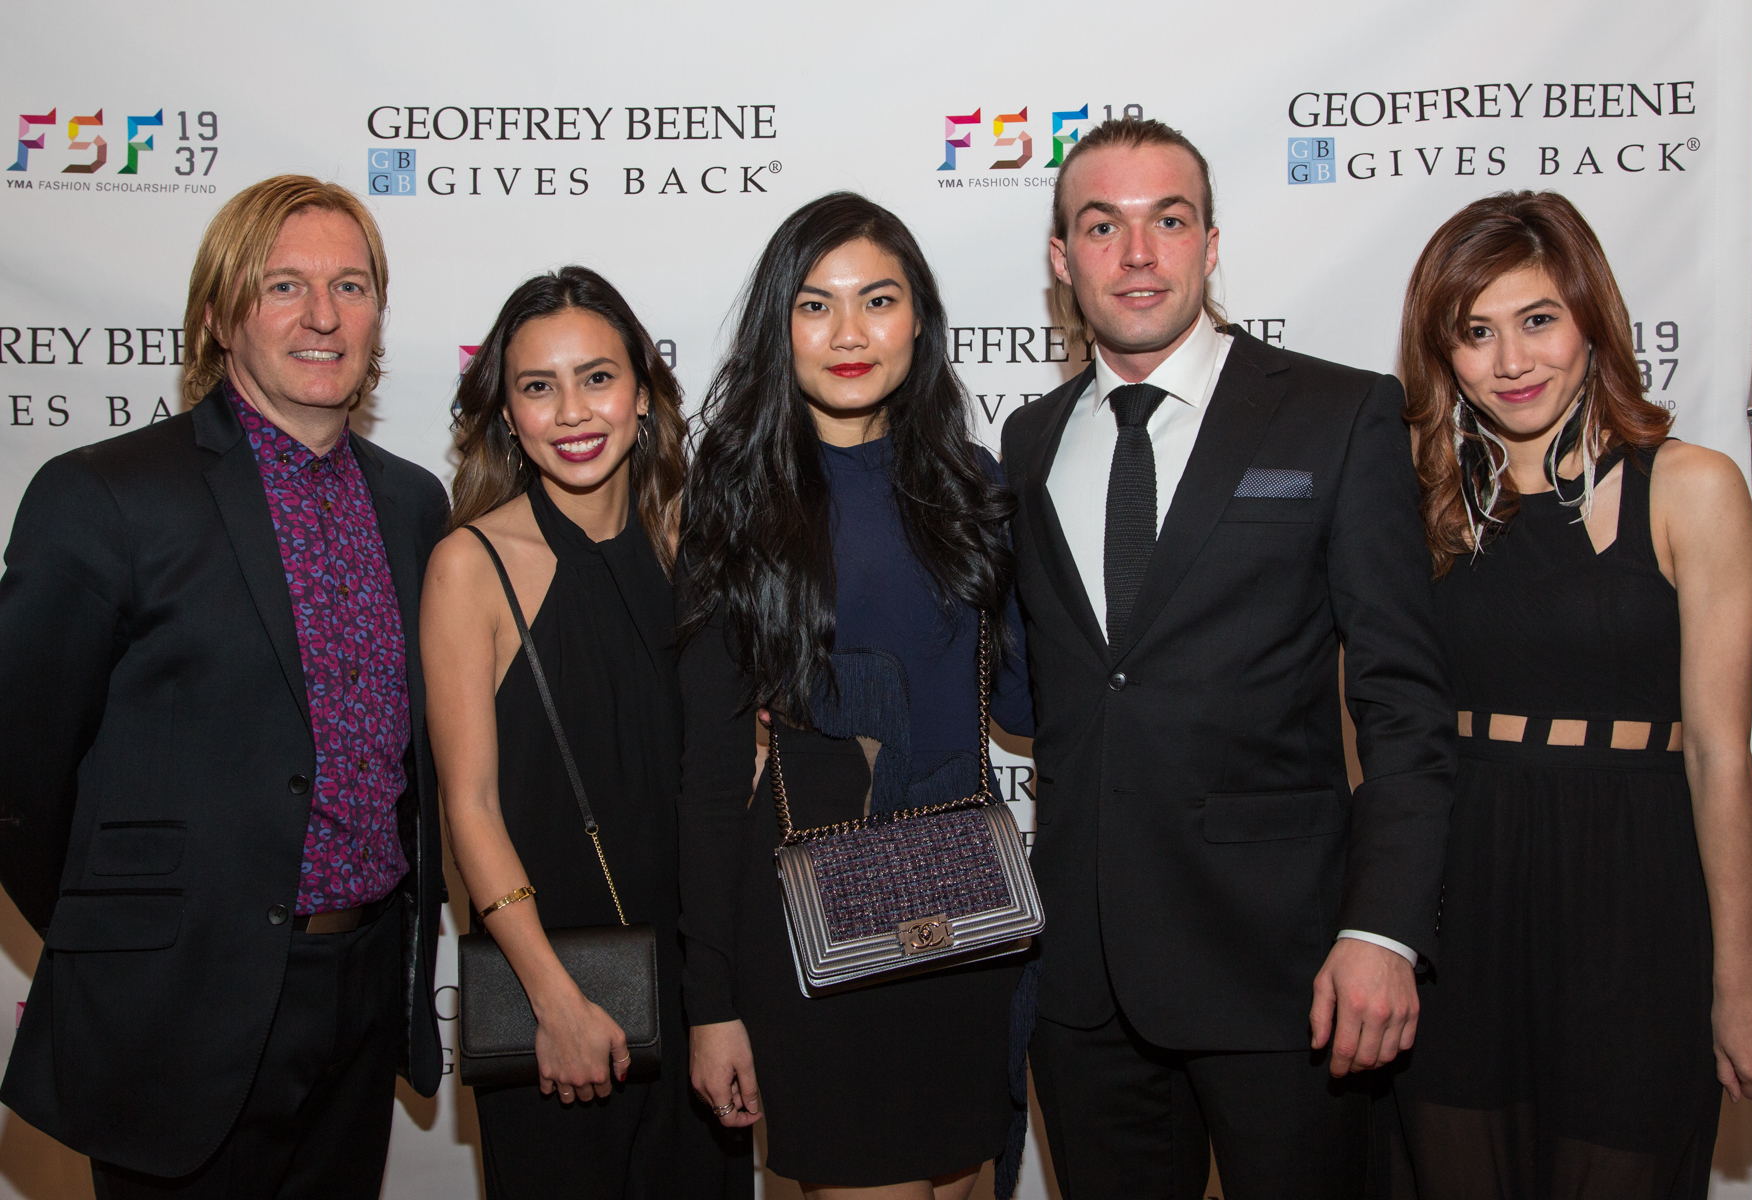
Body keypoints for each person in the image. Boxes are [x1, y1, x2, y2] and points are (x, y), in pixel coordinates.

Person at [1001, 117, 1458, 1198]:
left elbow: (1402, 706)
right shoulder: (1027, 441)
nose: (1138, 253)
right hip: (1085, 982)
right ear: (1064, 261)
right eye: (1101, 226)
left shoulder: (1338, 415)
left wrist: (1385, 929)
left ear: (1212, 243)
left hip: (1287, 971)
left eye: (1169, 219)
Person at [0, 176, 448, 1198]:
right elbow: (18, 775)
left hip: (361, 992)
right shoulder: (104, 495)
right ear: (216, 313)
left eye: (351, 284)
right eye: (283, 284)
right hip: (178, 1002)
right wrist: (134, 924)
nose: (323, 315)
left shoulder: (414, 504)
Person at [1390, 190, 1752, 1198]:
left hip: (1637, 899)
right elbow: (1382, 729)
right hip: (1463, 896)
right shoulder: (1420, 500)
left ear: (1590, 321)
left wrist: (1740, 976)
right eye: (1474, 334)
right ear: (1442, 355)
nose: (1511, 361)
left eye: (1537, 320)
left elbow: (1717, 752)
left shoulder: (1693, 487)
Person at [677, 192, 1034, 1200]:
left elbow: (1023, 704)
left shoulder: (974, 484)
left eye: (877, 300)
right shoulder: (736, 503)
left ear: (917, 318)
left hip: (964, 908)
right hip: (809, 924)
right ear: (777, 327)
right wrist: (712, 1003)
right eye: (814, 304)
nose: (848, 333)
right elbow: (708, 778)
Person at [421, 266, 749, 1199]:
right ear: (507, 414)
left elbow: (725, 774)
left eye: (597, 377)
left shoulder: (696, 546)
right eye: (538, 385)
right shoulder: (471, 564)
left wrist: (725, 997)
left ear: (643, 393)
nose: (572, 411)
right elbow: (470, 809)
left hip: (700, 995)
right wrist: (552, 999)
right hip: (554, 1002)